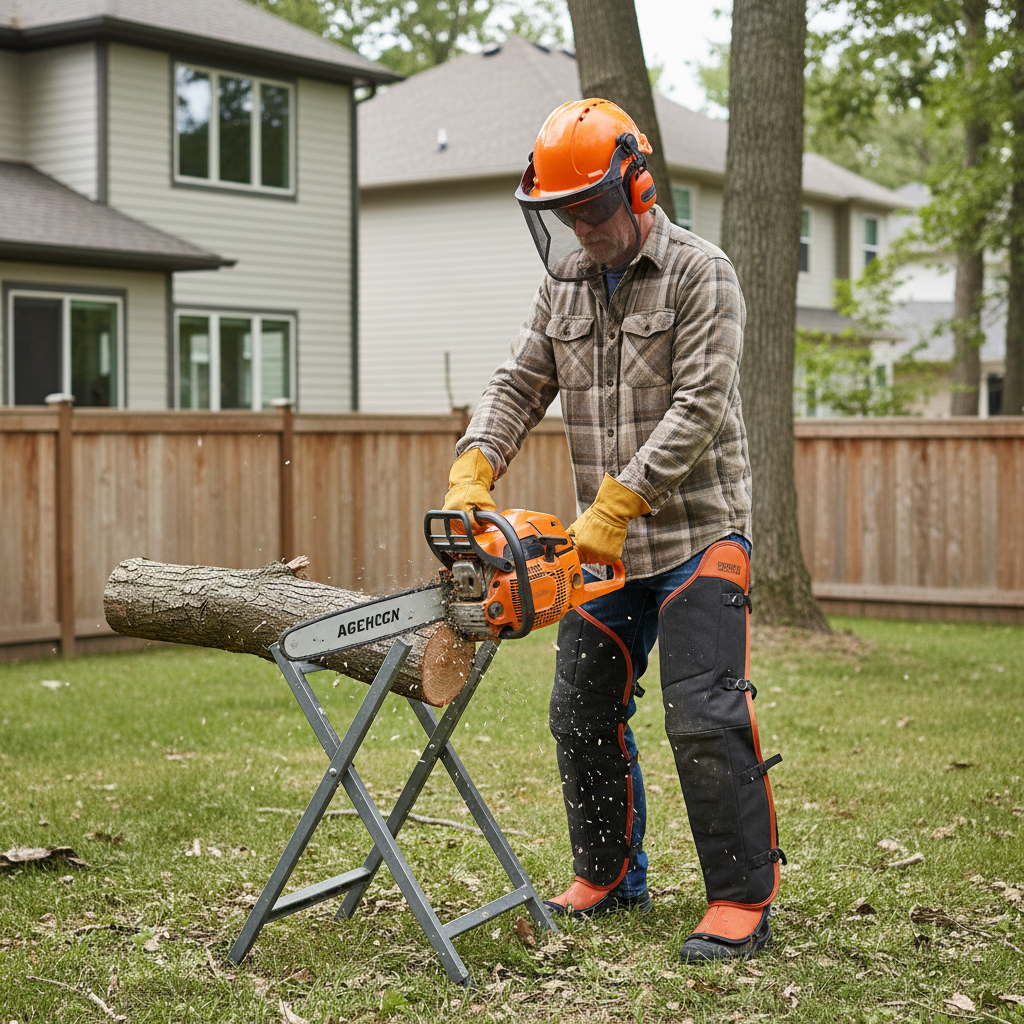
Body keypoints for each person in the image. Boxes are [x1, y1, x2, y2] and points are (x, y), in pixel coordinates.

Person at [442, 98, 784, 963]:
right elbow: (520, 380)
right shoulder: (561, 282)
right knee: (580, 710)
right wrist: (477, 458)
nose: (582, 229)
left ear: (636, 186)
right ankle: (609, 874)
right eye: (565, 215)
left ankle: (741, 899)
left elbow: (701, 406)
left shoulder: (704, 273)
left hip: (700, 529)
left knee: (704, 714)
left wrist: (620, 502)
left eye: (592, 209)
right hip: (604, 548)